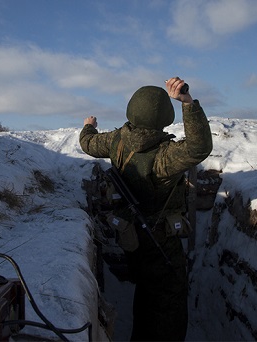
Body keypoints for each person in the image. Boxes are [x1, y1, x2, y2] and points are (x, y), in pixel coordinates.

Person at [79, 77, 212, 341]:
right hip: (161, 244)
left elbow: (88, 144)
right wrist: (187, 102)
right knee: (167, 308)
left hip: (132, 238)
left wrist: (88, 127)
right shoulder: (165, 156)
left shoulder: (116, 140)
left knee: (146, 292)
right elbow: (199, 147)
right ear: (165, 115)